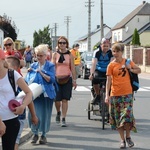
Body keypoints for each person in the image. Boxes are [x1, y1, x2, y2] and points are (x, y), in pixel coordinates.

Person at [105, 43, 141, 149]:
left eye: (117, 51)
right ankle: (122, 140)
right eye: (113, 51)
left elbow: (138, 70)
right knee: (118, 118)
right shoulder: (111, 65)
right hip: (115, 94)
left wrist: (130, 69)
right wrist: (107, 95)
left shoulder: (128, 62)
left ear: (122, 52)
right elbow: (108, 81)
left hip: (127, 93)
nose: (115, 53)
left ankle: (128, 137)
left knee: (127, 117)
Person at [0, 49, 32, 150]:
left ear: (2, 60)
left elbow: (29, 93)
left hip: (10, 120)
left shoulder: (12, 74)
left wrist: (22, 106)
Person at [5, 56, 38, 150]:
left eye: (7, 66)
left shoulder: (20, 82)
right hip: (5, 117)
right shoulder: (4, 80)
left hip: (19, 118)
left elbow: (29, 98)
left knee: (14, 141)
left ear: (15, 68)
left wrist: (34, 115)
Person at [25, 44, 56, 144]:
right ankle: (35, 133)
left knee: (44, 115)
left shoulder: (50, 65)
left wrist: (41, 73)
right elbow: (27, 80)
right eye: (37, 55)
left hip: (46, 94)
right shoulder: (33, 65)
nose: (38, 57)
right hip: (34, 94)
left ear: (45, 55)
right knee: (32, 114)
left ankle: (43, 135)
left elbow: (51, 79)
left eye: (40, 55)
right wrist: (29, 73)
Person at [52, 36, 77, 127]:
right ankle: (58, 112)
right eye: (60, 43)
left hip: (67, 79)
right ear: (58, 44)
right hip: (57, 79)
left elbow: (73, 68)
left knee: (65, 99)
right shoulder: (55, 55)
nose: (62, 44)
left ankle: (63, 118)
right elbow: (52, 67)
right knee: (57, 100)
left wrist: (74, 80)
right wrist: (51, 79)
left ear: (66, 44)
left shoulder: (70, 55)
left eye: (64, 43)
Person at [89, 38, 113, 105]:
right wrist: (91, 74)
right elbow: (94, 63)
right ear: (101, 45)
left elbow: (111, 63)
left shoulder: (111, 52)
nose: (105, 48)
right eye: (104, 46)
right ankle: (98, 95)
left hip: (108, 70)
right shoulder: (97, 52)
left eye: (107, 46)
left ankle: (108, 96)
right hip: (99, 69)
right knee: (95, 79)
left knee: (111, 81)